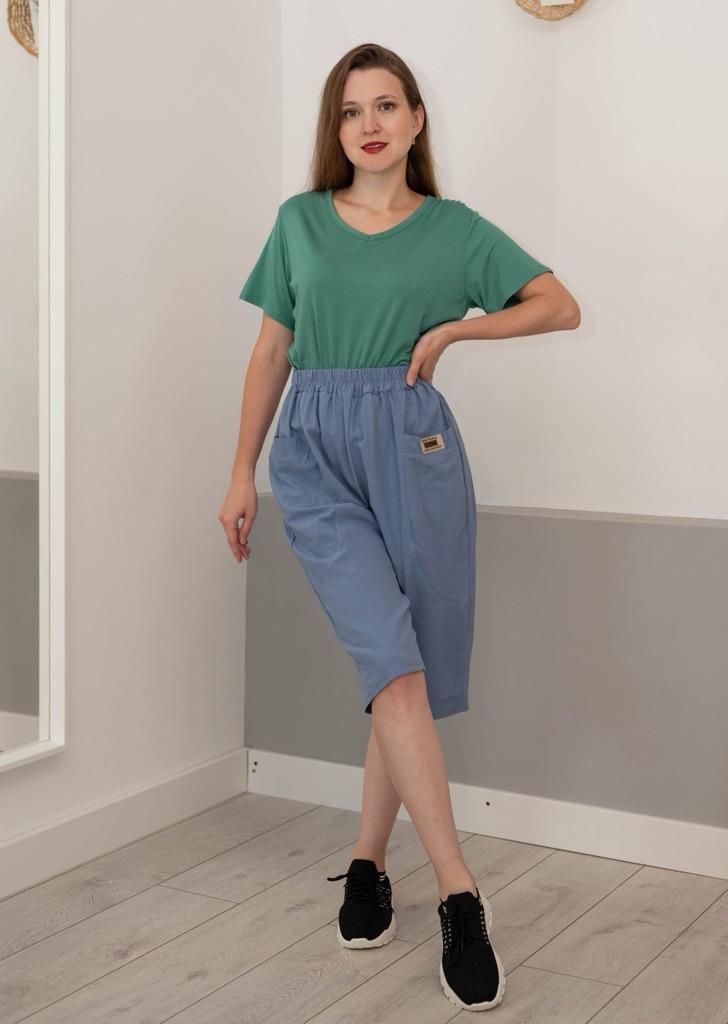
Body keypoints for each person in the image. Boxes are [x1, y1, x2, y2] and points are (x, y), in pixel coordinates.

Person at [219, 42, 580, 1014]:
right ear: (335, 129)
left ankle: (369, 862)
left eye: (386, 105)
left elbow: (558, 304)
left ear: (416, 119)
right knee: (392, 657)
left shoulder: (454, 231)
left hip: (414, 449)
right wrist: (241, 471)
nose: (369, 124)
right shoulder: (299, 222)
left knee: (400, 667)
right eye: (350, 110)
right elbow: (271, 352)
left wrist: (458, 328)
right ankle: (461, 894)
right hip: (313, 455)